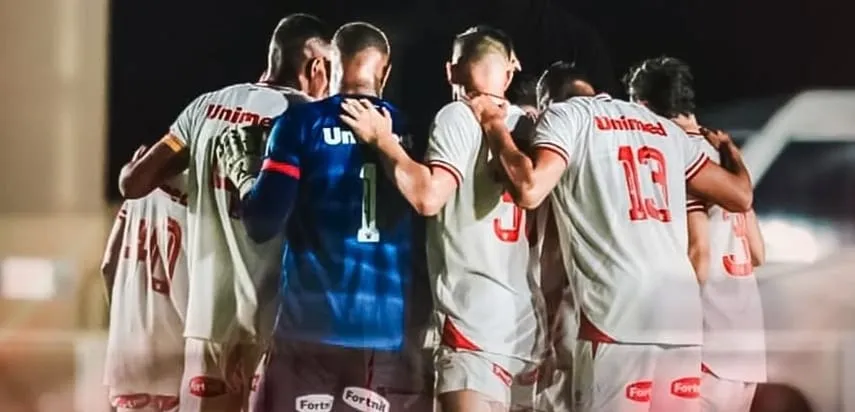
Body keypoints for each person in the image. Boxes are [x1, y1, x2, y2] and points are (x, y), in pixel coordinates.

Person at [462, 66, 755, 411]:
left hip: (618, 317)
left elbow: (530, 188)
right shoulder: (661, 126)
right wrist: (732, 153)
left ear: (546, 103)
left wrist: (493, 126)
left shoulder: (565, 116)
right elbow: (740, 196)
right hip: (680, 314)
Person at [115, 13, 332, 411]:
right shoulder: (308, 120)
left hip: (208, 322)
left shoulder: (205, 108)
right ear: (317, 66)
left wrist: (132, 166)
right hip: (279, 323)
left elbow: (135, 185)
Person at [219, 21, 433, 412]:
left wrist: (245, 175)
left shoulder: (300, 123)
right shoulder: (411, 130)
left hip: (309, 327)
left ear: (331, 63)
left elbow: (262, 223)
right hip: (382, 331)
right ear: (385, 70)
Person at [340, 25, 546, 412]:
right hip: (526, 328)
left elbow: (428, 197)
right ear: (511, 69)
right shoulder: (532, 126)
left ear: (450, 71)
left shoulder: (458, 115)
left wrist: (384, 141)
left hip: (473, 325)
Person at [626, 56, 767, 412]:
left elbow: (699, 252)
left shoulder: (681, 159)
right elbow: (758, 253)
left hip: (708, 342)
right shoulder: (724, 159)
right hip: (747, 341)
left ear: (643, 107)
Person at [529, 60, 597, 412]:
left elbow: (553, 250)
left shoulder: (558, 144)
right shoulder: (607, 146)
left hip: (573, 308)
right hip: (610, 313)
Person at [101, 147, 189, 412]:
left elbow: (107, 266)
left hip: (127, 363)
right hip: (177, 362)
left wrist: (122, 322)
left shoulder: (138, 194)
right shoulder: (201, 199)